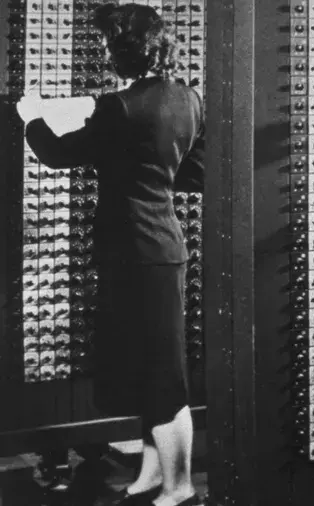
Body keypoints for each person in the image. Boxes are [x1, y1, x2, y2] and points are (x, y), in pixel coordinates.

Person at [15, 4, 204, 506]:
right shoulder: (188, 98)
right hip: (163, 247)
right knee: (151, 371)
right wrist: (147, 170)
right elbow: (198, 172)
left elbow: (57, 153)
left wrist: (32, 118)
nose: (103, 54)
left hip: (134, 252)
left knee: (164, 379)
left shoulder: (119, 105)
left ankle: (181, 489)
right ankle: (151, 477)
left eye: (107, 46)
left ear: (123, 49)